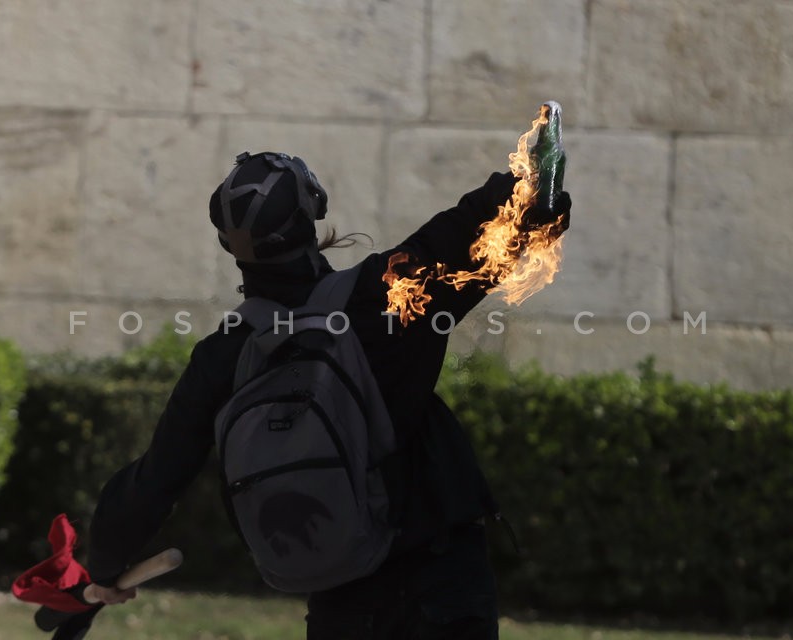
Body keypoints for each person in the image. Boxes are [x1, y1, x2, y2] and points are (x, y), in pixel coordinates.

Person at [84, 150, 572, 639]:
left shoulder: (222, 359)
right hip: (441, 585)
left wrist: (103, 568)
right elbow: (478, 228)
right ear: (312, 213)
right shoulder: (384, 297)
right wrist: (536, 175)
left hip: (344, 599)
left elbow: (154, 480)